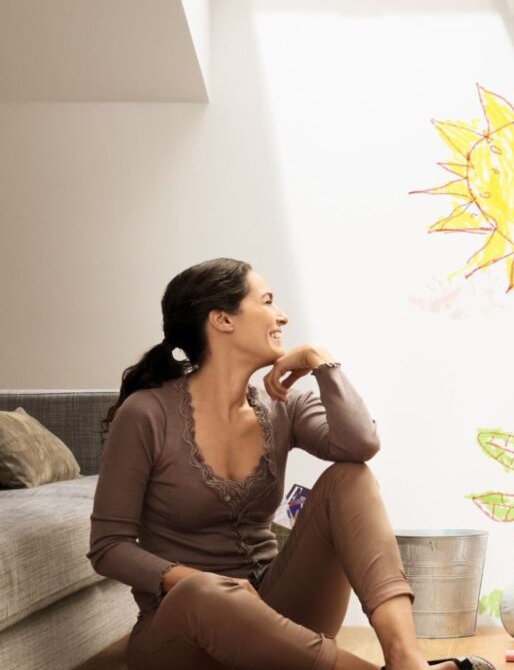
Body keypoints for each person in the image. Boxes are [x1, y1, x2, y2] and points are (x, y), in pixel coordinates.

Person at [89, 258, 490, 670]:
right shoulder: (146, 414)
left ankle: (406, 658)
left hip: (279, 619)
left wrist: (322, 362)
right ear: (222, 319)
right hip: (182, 633)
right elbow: (108, 547)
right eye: (267, 301)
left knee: (349, 476)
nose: (282, 316)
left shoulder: (283, 405)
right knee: (202, 594)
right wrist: (195, 581)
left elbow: (360, 445)